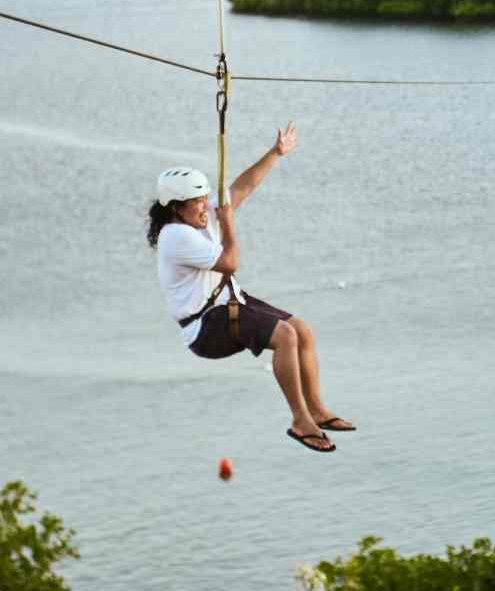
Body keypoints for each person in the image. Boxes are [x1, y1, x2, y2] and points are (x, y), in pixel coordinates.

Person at [147, 123, 353, 452]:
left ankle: (317, 409)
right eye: (197, 202)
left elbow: (241, 189)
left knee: (303, 330)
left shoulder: (195, 218)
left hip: (228, 304)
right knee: (285, 336)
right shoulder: (176, 235)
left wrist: (275, 153)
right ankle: (301, 421)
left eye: (204, 199)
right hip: (206, 328)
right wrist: (228, 223)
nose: (205, 206)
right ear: (176, 207)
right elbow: (230, 263)